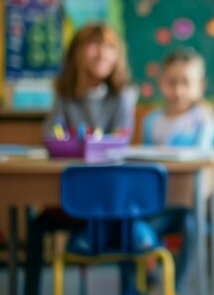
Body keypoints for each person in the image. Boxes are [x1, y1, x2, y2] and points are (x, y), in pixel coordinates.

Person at [26, 23, 136, 295]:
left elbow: (121, 139)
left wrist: (86, 144)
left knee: (128, 219)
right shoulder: (63, 93)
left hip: (109, 197)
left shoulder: (123, 94)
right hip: (69, 195)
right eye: (94, 45)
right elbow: (51, 135)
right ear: (76, 52)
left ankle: (133, 288)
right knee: (36, 224)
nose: (102, 55)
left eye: (110, 48)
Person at [138, 47, 214, 292]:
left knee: (192, 226)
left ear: (200, 86)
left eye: (186, 83)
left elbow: (201, 159)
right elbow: (145, 162)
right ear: (160, 83)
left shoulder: (204, 118)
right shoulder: (151, 120)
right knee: (131, 230)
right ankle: (140, 282)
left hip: (190, 205)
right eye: (171, 82)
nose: (178, 90)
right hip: (157, 205)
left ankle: (179, 287)